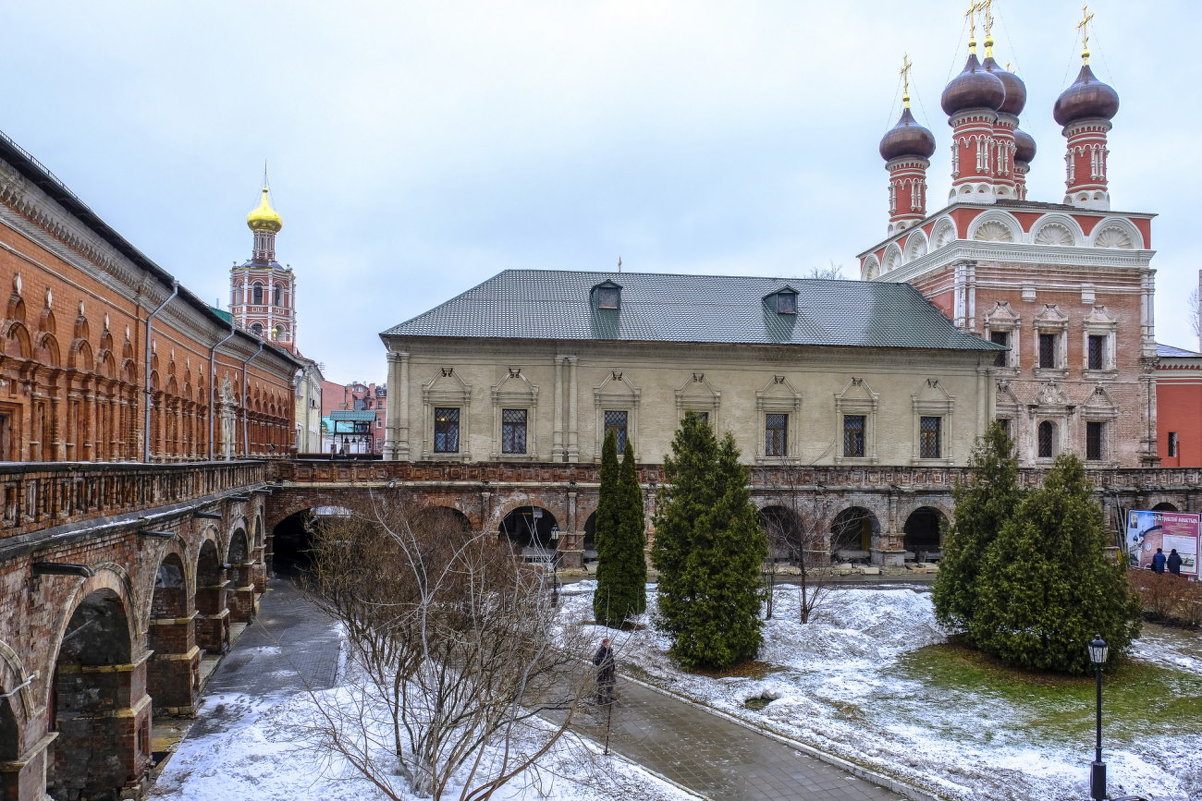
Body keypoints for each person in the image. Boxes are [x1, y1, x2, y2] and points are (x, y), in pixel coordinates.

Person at [593, 637, 616, 705]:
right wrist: (601, 663)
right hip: (602, 671)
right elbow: (594, 660)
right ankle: (599, 699)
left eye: (608, 644)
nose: (607, 645)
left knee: (610, 685)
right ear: (603, 644)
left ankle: (607, 698)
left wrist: (613, 668)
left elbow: (612, 660)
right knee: (601, 685)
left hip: (609, 671)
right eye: (606, 644)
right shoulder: (600, 651)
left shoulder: (610, 650)